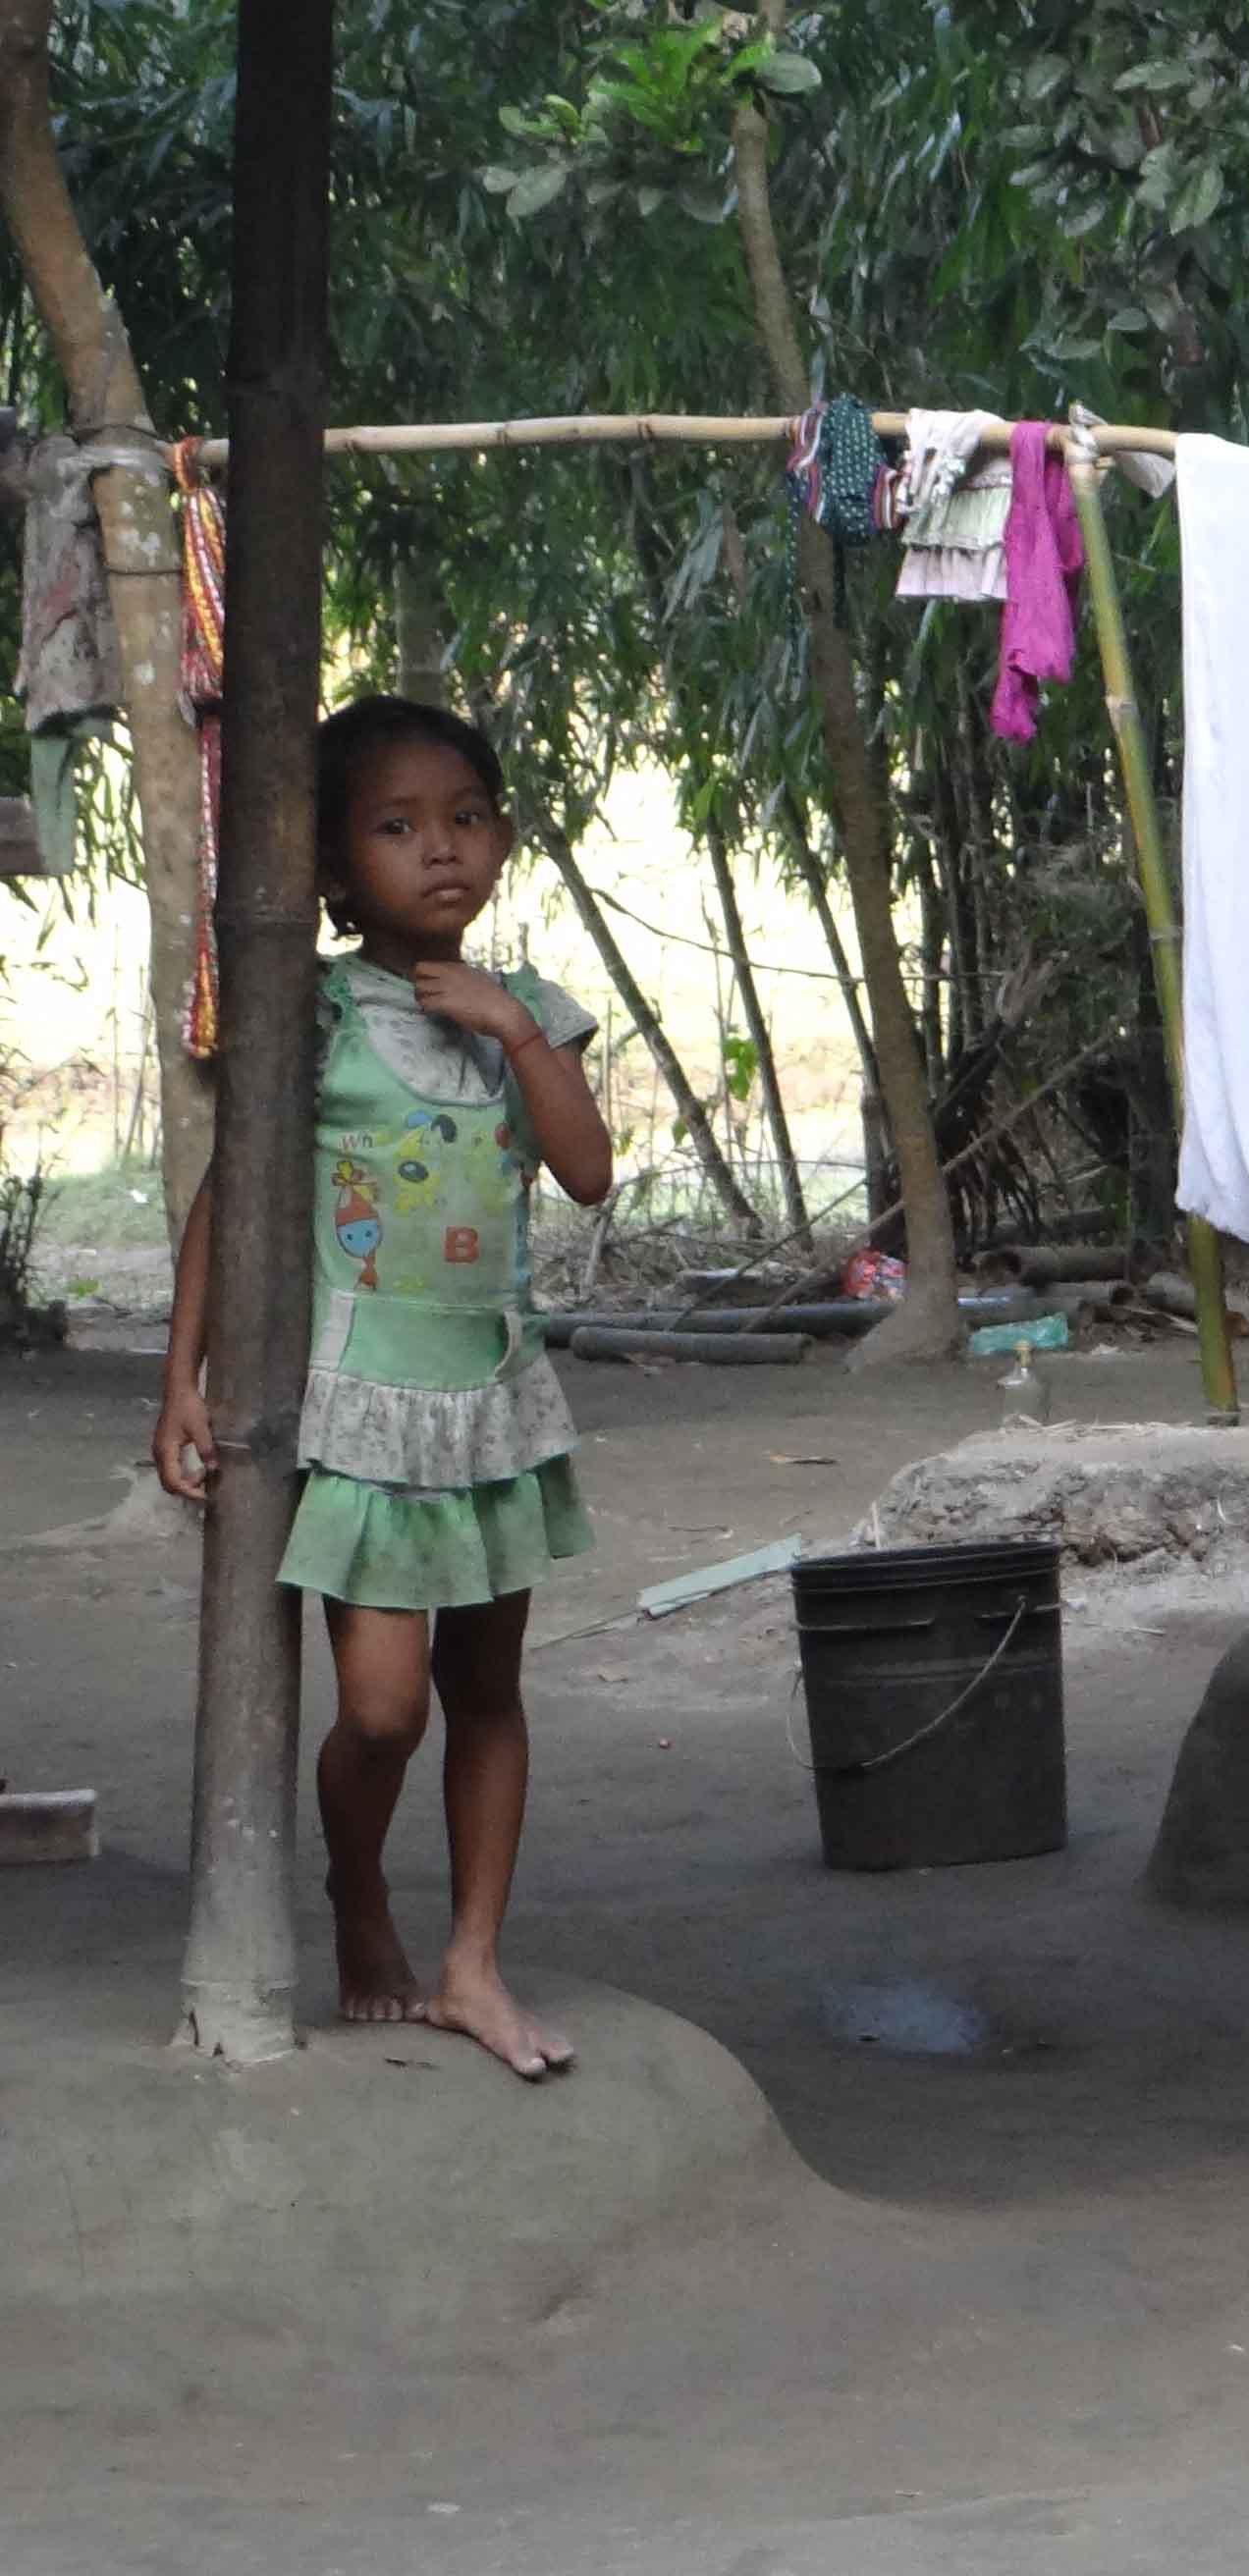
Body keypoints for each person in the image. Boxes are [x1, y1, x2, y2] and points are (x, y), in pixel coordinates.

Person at [152, 696, 614, 2081]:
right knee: (381, 1710)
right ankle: (362, 1892)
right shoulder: (312, 1011)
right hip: (357, 1404)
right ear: (340, 868)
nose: (442, 852)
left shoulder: (534, 1011)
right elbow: (231, 1199)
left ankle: (474, 1962)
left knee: (489, 1690)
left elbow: (586, 1172)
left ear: (507, 839)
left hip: (491, 1399)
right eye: (399, 828)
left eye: (466, 820)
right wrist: (180, 1382)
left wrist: (510, 1030)